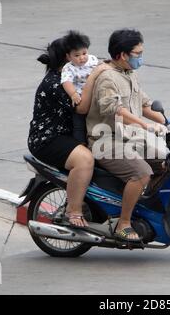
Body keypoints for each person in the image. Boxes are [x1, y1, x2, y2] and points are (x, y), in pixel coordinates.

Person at [86, 28, 168, 242]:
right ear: (123, 55)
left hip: (130, 137)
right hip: (106, 141)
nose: (141, 58)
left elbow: (144, 104)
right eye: (138, 54)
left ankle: (140, 205)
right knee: (141, 173)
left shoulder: (130, 73)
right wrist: (144, 125)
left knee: (167, 162)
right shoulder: (107, 78)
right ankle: (124, 223)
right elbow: (114, 109)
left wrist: (166, 121)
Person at [27, 35, 108, 228]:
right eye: (76, 55)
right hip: (48, 140)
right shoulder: (57, 83)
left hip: (70, 134)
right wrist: (95, 76)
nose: (83, 59)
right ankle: (73, 211)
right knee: (85, 160)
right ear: (68, 58)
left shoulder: (75, 75)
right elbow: (81, 107)